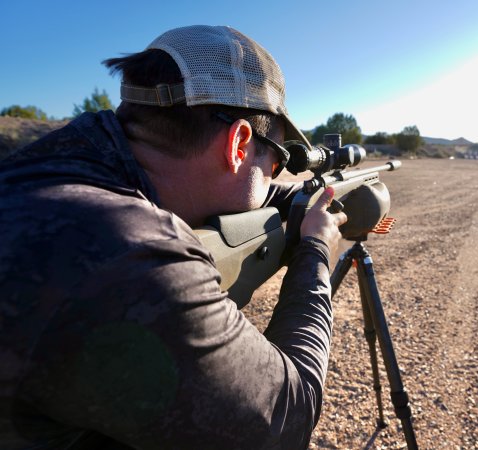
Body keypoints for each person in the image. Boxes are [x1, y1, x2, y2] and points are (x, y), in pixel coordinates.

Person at [0, 25, 347, 449]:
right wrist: (315, 253)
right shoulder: (133, 256)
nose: (273, 174)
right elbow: (286, 419)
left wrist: (300, 202)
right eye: (274, 160)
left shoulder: (56, 164)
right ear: (239, 144)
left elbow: (259, 193)